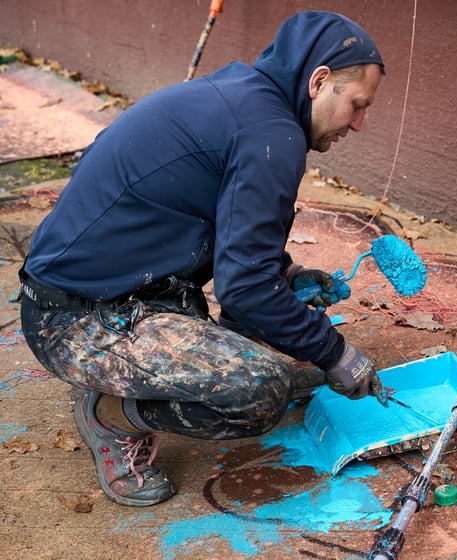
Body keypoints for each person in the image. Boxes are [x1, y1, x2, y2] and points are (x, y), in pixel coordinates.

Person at [18, 10, 388, 508]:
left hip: (116, 290)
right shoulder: (274, 134)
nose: (359, 124)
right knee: (258, 390)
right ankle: (107, 414)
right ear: (319, 82)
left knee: (267, 330)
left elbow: (225, 224)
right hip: (74, 322)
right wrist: (334, 353)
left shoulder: (247, 98)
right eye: (357, 105)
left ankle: (170, 368)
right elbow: (244, 287)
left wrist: (287, 274)